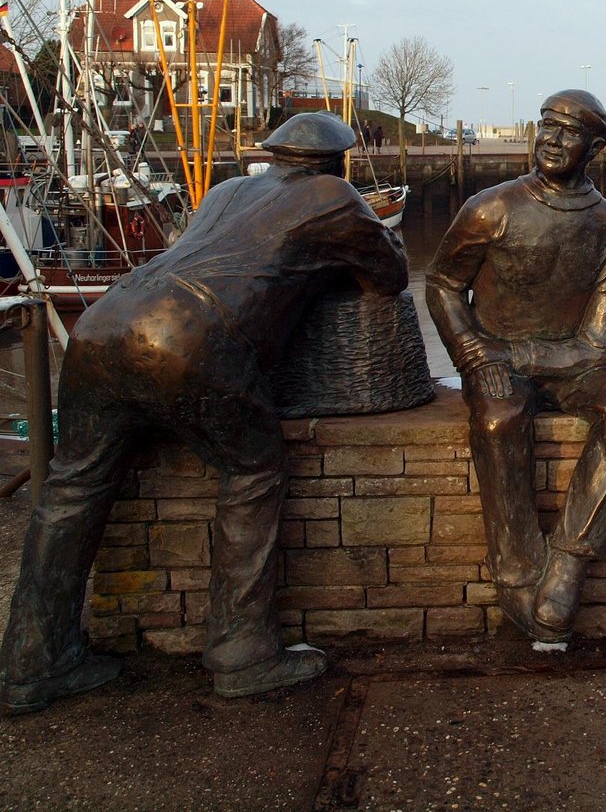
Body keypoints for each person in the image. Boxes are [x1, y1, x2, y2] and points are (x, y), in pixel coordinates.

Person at [0, 111, 408, 713]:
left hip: (103, 324)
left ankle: (31, 661)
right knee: (254, 469)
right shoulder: (335, 196)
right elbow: (391, 277)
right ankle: (242, 652)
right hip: (190, 338)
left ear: (273, 155)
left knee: (71, 488)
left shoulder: (228, 189)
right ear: (339, 160)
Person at [427, 90, 606, 642]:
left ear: (595, 148)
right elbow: (443, 283)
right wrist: (473, 351)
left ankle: (569, 560)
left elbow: (601, 343)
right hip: (496, 355)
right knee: (501, 419)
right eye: (545, 126)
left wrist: (519, 354)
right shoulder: (490, 208)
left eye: (568, 132)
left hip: (569, 363)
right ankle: (517, 571)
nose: (551, 139)